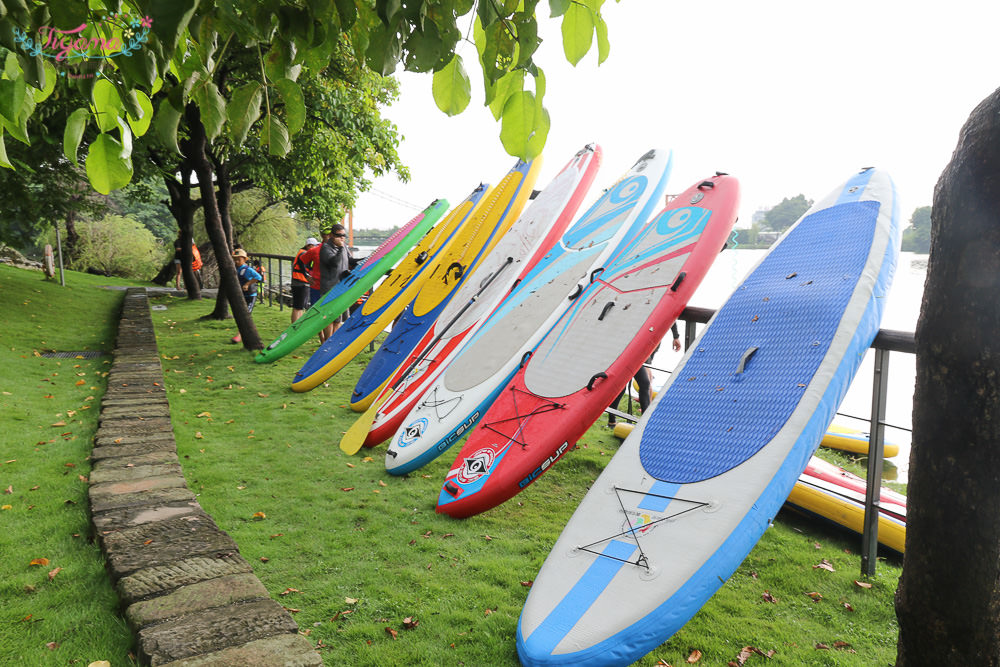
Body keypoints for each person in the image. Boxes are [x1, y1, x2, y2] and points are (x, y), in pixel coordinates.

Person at [608, 323, 682, 427]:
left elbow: (672, 318)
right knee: (629, 385)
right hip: (635, 346)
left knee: (644, 383)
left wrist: (676, 336)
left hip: (647, 347)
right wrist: (676, 337)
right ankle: (613, 420)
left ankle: (644, 422)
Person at [318, 224, 353, 341]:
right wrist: (341, 248)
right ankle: (327, 341)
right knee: (329, 318)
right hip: (330, 288)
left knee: (339, 318)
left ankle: (332, 342)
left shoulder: (344, 247)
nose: (342, 238)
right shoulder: (325, 248)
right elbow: (334, 262)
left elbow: (351, 260)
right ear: (332, 235)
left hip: (341, 286)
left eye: (344, 235)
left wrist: (367, 259)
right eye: (339, 235)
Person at [290, 237, 320, 323]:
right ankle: (295, 327)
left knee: (299, 306)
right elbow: (302, 266)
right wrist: (307, 276)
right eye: (315, 246)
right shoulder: (303, 254)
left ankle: (297, 325)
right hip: (300, 283)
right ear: (309, 246)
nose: (316, 248)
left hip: (298, 282)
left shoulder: (302, 252)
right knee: (298, 307)